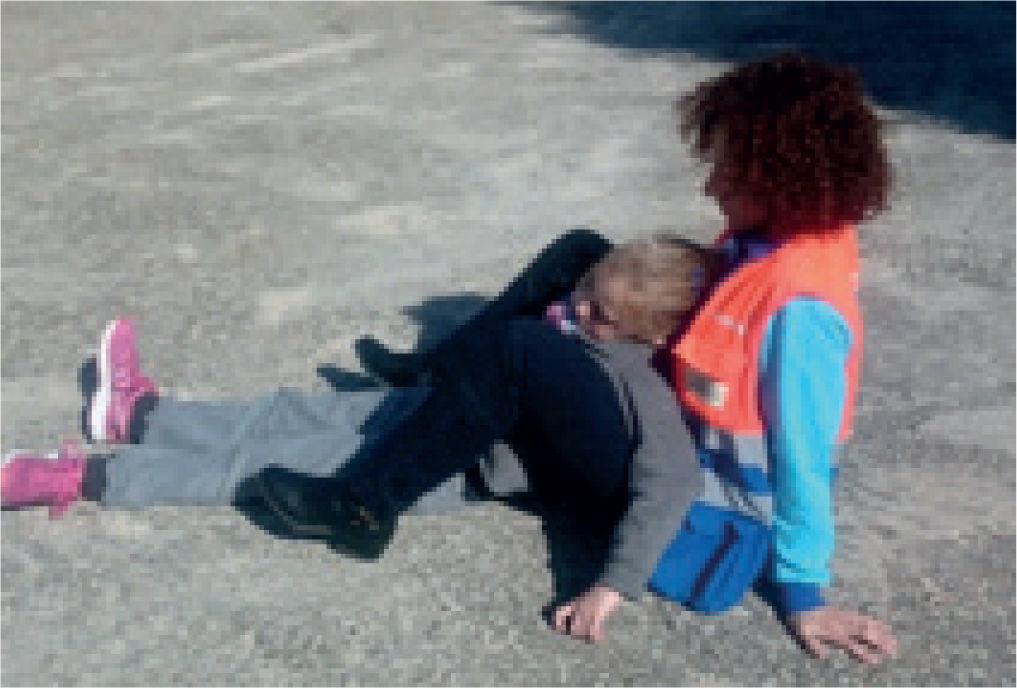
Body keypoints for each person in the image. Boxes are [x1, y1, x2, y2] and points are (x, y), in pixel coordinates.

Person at [3, 51, 899, 664]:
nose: (710, 185)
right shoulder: (764, 239)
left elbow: (802, 459)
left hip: (681, 493)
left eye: (729, 174)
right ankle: (146, 416)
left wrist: (804, 593)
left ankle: (357, 502)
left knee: (493, 361)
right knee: (580, 253)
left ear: (781, 181)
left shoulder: (804, 308)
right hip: (620, 414)